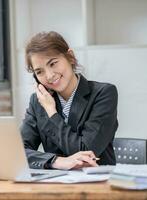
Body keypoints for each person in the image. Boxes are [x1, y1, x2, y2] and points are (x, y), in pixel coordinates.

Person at [21, 31, 118, 170]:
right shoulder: (37, 102)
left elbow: (85, 152)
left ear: (70, 57)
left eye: (53, 63)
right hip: (54, 185)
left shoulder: (103, 94)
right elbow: (18, 151)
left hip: (96, 184)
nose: (49, 76)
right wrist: (55, 161)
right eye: (39, 71)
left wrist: (52, 113)